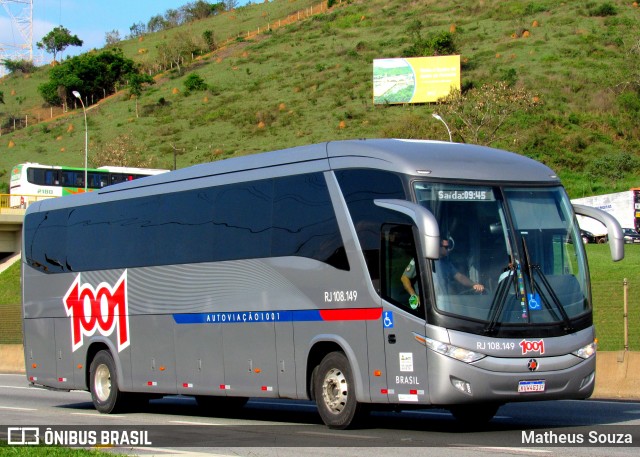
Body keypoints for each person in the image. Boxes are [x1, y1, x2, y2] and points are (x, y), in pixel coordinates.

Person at [401, 238, 484, 308]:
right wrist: (413, 295)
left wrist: (474, 284)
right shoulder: (422, 259)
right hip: (425, 305)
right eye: (446, 247)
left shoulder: (445, 263)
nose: (449, 249)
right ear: (438, 247)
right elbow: (404, 278)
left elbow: (459, 277)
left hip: (441, 304)